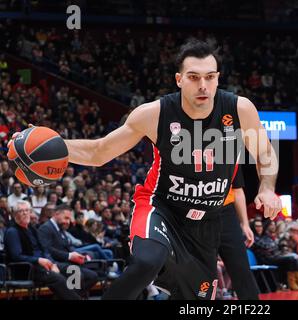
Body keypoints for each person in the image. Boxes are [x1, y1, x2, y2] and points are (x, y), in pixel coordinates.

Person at [9, 38, 281, 300]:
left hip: (207, 221)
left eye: (210, 77)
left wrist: (267, 188)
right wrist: (49, 146)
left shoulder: (239, 109)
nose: (203, 85)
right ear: (179, 79)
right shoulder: (155, 113)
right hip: (161, 207)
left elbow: (265, 152)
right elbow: (99, 151)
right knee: (146, 260)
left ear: (218, 78)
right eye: (194, 77)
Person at [4, 200, 81, 299]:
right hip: (27, 270)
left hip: (42, 266)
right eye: (21, 211)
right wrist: (38, 260)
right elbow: (16, 256)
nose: (25, 213)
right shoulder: (12, 232)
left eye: (27, 210)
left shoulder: (32, 229)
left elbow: (44, 249)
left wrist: (52, 264)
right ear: (15, 215)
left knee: (73, 271)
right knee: (59, 279)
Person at [217, 166, 260, 299]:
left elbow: (237, 190)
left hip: (226, 213)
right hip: (194, 214)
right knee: (200, 272)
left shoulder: (229, 151)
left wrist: (245, 223)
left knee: (241, 268)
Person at [37, 204, 98, 296]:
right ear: (56, 214)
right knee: (76, 272)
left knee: (92, 276)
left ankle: (72, 297)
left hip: (65, 263)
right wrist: (69, 256)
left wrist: (79, 254)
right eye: (66, 218)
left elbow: (68, 247)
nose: (68, 221)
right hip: (54, 263)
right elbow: (48, 250)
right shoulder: (45, 228)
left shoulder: (60, 229)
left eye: (69, 219)